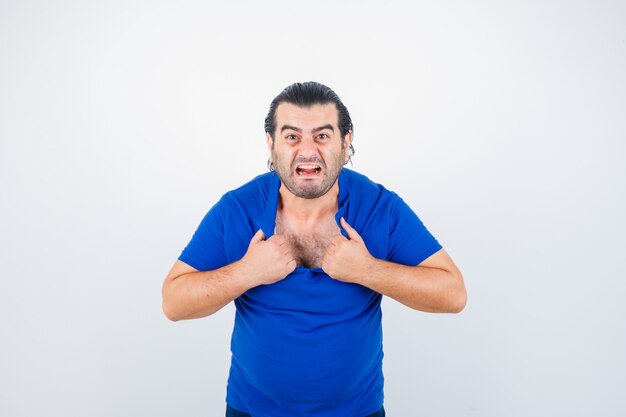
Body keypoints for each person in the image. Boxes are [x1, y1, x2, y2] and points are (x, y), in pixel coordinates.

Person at [161, 81, 467, 417]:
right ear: (271, 144)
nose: (307, 151)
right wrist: (245, 273)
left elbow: (452, 294)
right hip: (252, 410)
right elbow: (174, 302)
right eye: (292, 136)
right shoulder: (237, 209)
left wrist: (368, 271)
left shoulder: (382, 208)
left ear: (346, 142)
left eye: (322, 135)